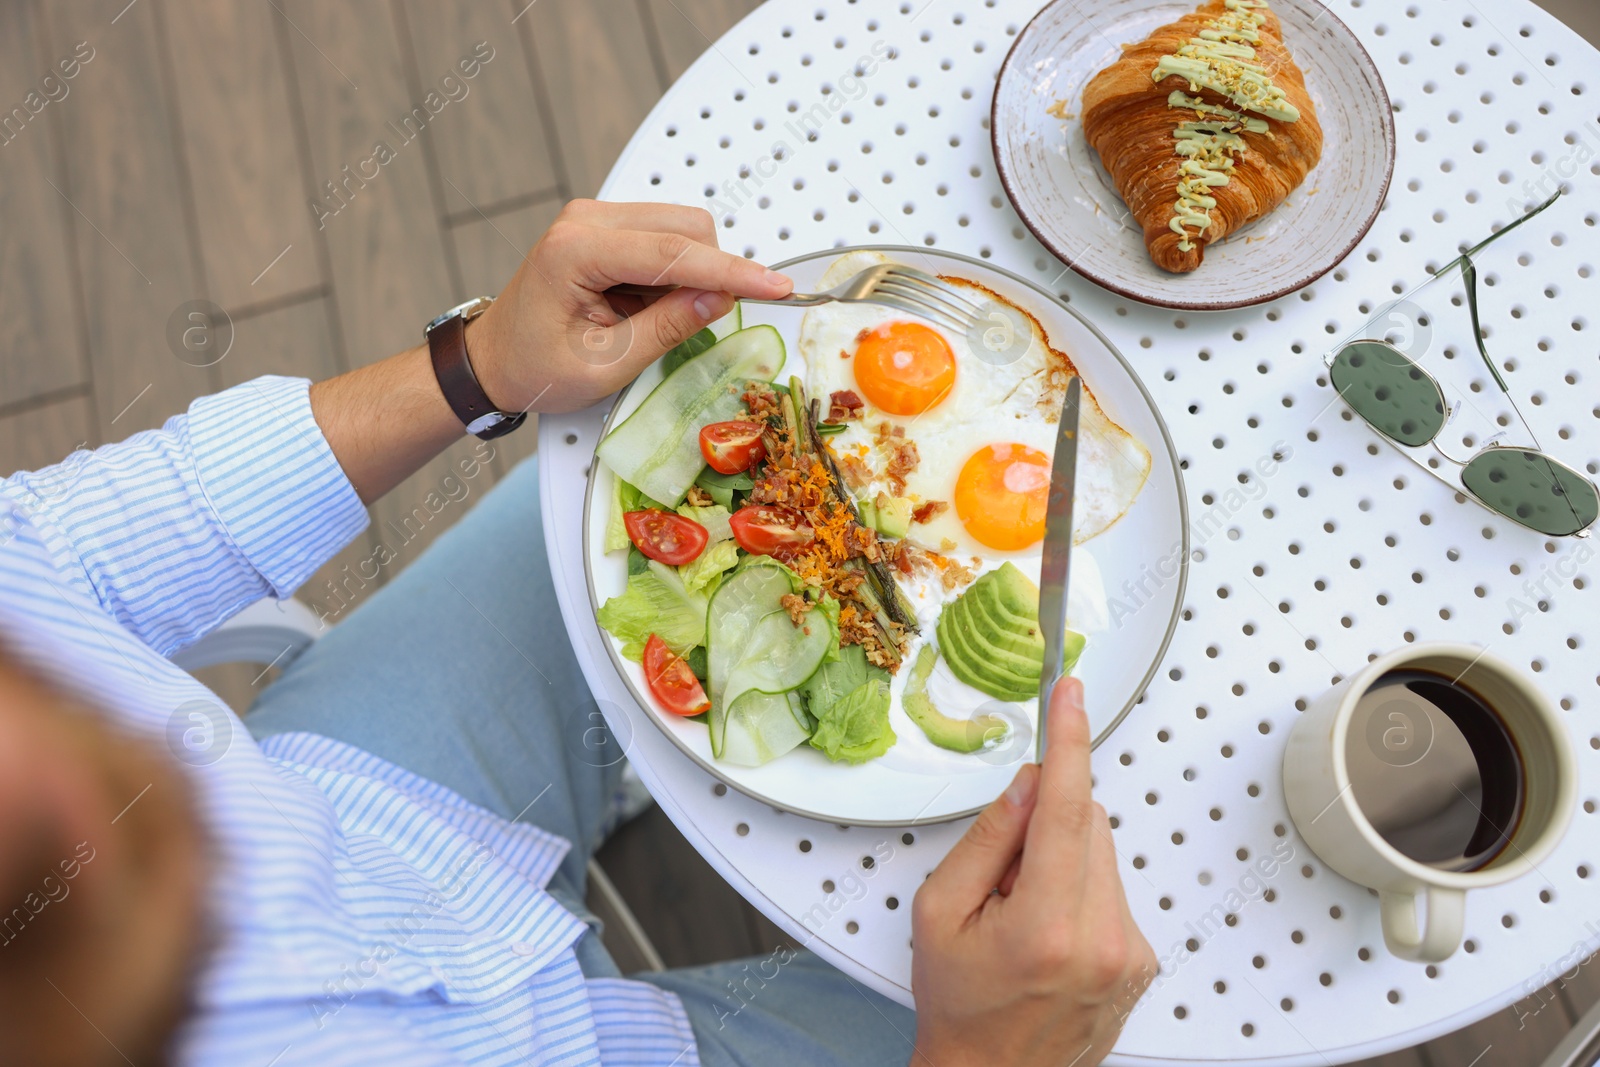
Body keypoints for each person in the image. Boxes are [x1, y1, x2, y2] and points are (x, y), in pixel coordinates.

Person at [0, 200, 1156, 1067]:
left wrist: (477, 365)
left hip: (359, 796)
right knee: (1106, 990)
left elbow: (52, 550)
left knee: (610, 467)